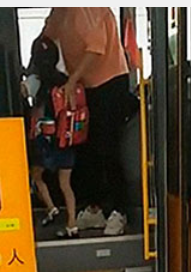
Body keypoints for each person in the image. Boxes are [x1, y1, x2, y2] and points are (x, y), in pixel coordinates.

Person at [41, 8, 134, 236]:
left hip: (109, 82)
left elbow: (96, 49)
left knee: (107, 148)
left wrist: (72, 80)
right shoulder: (60, 12)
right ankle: (94, 208)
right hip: (85, 86)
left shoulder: (89, 8)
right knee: (84, 147)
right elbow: (46, 37)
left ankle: (120, 211)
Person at [24, 36, 79, 238]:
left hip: (46, 142)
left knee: (36, 175)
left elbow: (23, 94)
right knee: (66, 184)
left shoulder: (36, 81)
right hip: (67, 138)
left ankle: (51, 208)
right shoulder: (66, 79)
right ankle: (72, 224)